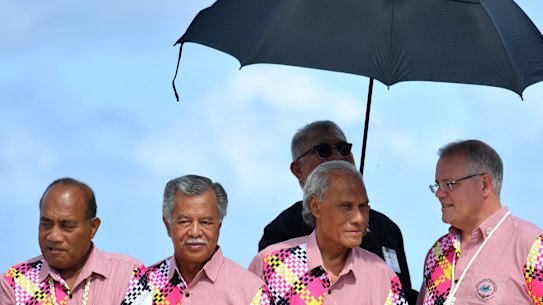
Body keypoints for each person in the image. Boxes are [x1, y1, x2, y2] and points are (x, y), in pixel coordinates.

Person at [258, 120, 418, 303]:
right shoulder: (281, 235)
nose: (337, 156)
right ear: (297, 170)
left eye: (344, 149)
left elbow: (402, 293)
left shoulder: (387, 228)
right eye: (323, 151)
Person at [250, 160, 407, 304]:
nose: (359, 219)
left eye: (363, 206)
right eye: (345, 206)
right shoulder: (272, 264)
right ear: (316, 207)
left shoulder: (382, 276)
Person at [417, 139, 543, 305]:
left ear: (484, 185)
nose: (439, 193)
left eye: (448, 184)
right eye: (437, 185)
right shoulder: (439, 252)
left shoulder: (533, 248)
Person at [120, 175, 271, 305]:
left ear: (219, 226)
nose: (194, 232)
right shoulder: (143, 285)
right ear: (168, 225)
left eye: (206, 222)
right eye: (184, 221)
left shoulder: (251, 292)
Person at [0, 178, 142, 305]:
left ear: (93, 227)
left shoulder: (128, 275)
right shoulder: (16, 281)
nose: (54, 236)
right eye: (46, 224)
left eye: (67, 226)